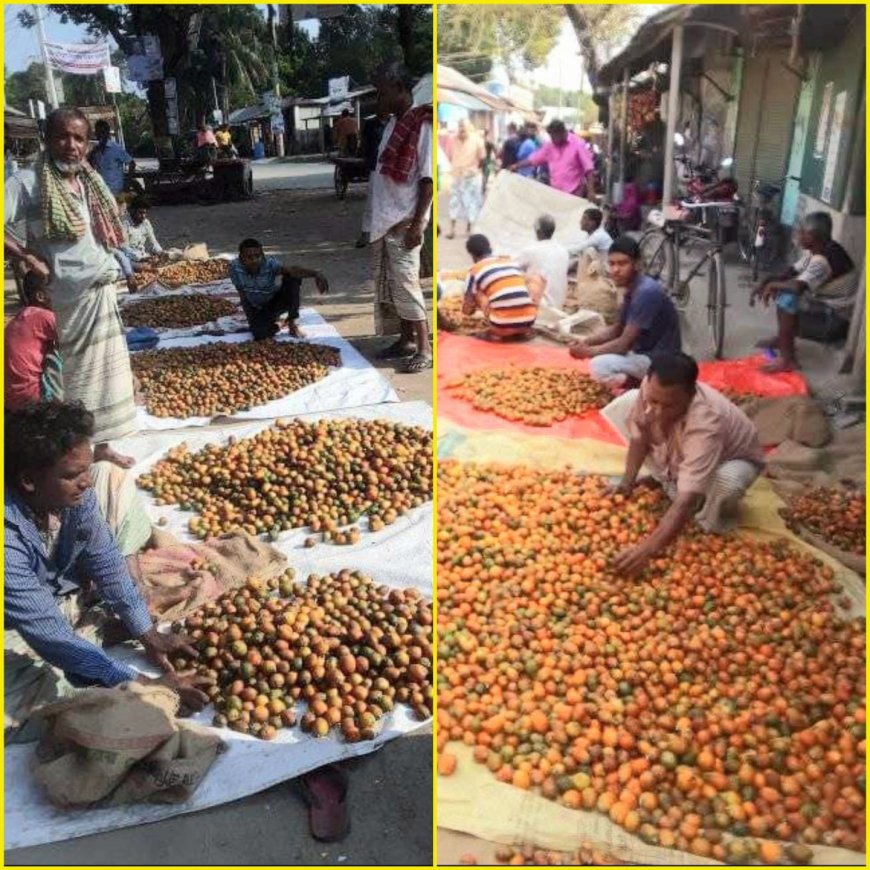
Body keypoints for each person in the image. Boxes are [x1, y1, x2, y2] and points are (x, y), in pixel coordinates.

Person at [5, 401, 213, 743]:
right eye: (72, 474)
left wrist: (146, 630)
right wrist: (138, 685)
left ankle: (86, 626)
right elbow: (49, 633)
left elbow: (105, 559)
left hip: (55, 593)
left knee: (112, 478)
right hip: (15, 620)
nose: (85, 482)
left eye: (86, 469)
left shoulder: (74, 494)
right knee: (30, 698)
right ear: (28, 480)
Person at [5, 107, 137, 469]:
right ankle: (72, 453)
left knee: (107, 378)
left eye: (79, 138)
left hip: (101, 292)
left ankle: (102, 446)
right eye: (62, 136)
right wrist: (25, 256)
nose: (71, 145)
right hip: (64, 301)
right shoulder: (28, 183)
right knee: (70, 381)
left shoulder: (88, 180)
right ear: (47, 139)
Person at [609, 353, 764, 575]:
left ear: (690, 395)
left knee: (727, 482)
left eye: (669, 405)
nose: (658, 411)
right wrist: (626, 483)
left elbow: (686, 500)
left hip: (729, 459)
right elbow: (639, 435)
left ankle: (708, 521)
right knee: (625, 405)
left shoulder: (706, 422)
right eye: (654, 401)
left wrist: (647, 549)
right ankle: (668, 478)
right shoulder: (653, 386)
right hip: (689, 450)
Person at [368, 61, 434, 374]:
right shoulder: (395, 123)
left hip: (405, 219)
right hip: (386, 217)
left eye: (381, 92)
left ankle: (424, 348)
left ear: (399, 89)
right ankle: (406, 340)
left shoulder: (422, 124)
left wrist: (419, 223)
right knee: (393, 286)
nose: (377, 99)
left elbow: (427, 179)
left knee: (407, 284)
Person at [569, 236, 681, 387]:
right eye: (612, 264)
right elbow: (616, 329)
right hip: (642, 351)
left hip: (661, 360)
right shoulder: (632, 289)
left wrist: (587, 352)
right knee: (604, 353)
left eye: (622, 263)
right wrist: (585, 342)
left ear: (636, 264)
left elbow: (623, 344)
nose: (615, 270)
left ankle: (644, 386)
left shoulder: (645, 292)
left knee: (599, 366)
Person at [753, 212, 854, 373]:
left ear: (811, 237)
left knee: (787, 297)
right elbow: (792, 271)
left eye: (801, 232)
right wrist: (768, 281)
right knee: (783, 291)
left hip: (835, 321)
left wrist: (773, 285)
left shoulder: (821, 261)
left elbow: (797, 287)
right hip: (825, 308)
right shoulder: (820, 248)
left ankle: (787, 359)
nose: (797, 235)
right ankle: (783, 340)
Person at [230, 238, 329, 340]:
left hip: (275, 301)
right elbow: (242, 293)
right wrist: (252, 319)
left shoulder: (269, 264)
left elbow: (292, 270)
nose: (255, 260)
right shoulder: (235, 267)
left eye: (257, 256)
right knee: (259, 334)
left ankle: (292, 323)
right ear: (241, 258)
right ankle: (280, 323)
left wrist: (315, 274)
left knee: (292, 278)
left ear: (262, 255)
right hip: (257, 307)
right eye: (249, 257)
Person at [463, 234, 538, 341]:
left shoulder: (474, 270)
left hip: (501, 326)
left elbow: (467, 310)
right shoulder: (510, 262)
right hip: (529, 321)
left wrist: (472, 306)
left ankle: (499, 331)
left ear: (472, 255)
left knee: (477, 293)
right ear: (490, 248)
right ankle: (520, 329)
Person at [5, 271, 62, 409]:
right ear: (40, 296)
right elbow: (76, 336)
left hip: (10, 397)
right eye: (56, 289)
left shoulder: (22, 316)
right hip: (31, 397)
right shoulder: (43, 316)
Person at [511, 119, 596, 198]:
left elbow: (589, 168)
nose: (552, 139)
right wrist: (516, 166)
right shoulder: (549, 146)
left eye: (554, 136)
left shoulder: (578, 144)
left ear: (562, 133)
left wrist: (591, 191)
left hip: (574, 193)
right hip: (556, 193)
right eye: (551, 136)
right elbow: (533, 160)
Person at [517, 214, 570, 310]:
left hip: (540, 305)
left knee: (515, 275)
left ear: (538, 231)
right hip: (559, 304)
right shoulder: (563, 251)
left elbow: (513, 268)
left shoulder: (530, 250)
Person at [357, 110, 391, 249]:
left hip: (391, 168)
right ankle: (366, 233)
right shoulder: (371, 124)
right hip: (375, 167)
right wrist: (365, 161)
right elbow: (365, 144)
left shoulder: (393, 122)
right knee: (372, 200)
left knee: (389, 201)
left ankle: (385, 233)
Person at [446, 119, 485, 239]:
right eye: (460, 127)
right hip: (457, 175)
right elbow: (449, 155)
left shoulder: (477, 140)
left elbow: (482, 158)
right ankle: (452, 230)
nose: (462, 130)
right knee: (454, 202)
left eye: (464, 128)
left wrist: (474, 170)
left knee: (472, 203)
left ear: (469, 128)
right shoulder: (452, 139)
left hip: (472, 176)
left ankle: (469, 229)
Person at [88, 120, 134, 199]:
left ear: (107, 133)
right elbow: (90, 167)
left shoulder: (115, 148)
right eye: (98, 132)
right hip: (101, 192)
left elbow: (132, 164)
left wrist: (128, 182)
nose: (100, 135)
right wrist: (92, 154)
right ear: (96, 133)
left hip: (116, 190)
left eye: (103, 132)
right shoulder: (95, 151)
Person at [121, 196, 163, 266]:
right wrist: (140, 258)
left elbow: (153, 242)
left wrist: (161, 253)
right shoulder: (124, 224)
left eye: (145, 213)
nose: (143, 216)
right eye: (140, 213)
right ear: (132, 210)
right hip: (129, 259)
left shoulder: (146, 223)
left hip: (144, 256)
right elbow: (125, 248)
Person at [481, 127, 497, 195]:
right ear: (488, 133)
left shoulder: (480, 141)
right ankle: (483, 187)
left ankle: (483, 188)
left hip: (482, 160)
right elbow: (495, 150)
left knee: (483, 174)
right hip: (488, 160)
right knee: (487, 173)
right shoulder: (489, 141)